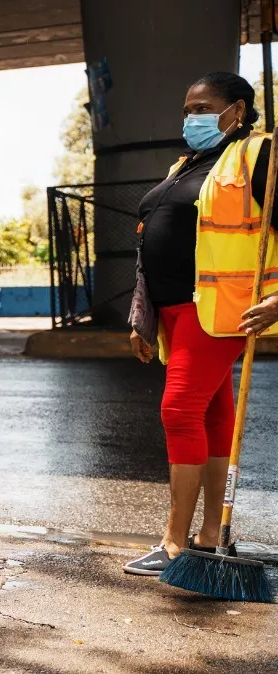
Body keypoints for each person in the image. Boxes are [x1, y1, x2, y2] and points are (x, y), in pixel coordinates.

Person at [124, 72, 278, 575]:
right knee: (211, 417)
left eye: (203, 108)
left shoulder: (259, 154)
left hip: (217, 308)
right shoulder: (186, 164)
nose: (192, 118)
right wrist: (143, 320)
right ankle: (210, 536)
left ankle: (175, 544)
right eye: (188, 109)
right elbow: (154, 242)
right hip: (174, 312)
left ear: (236, 109)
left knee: (179, 411)